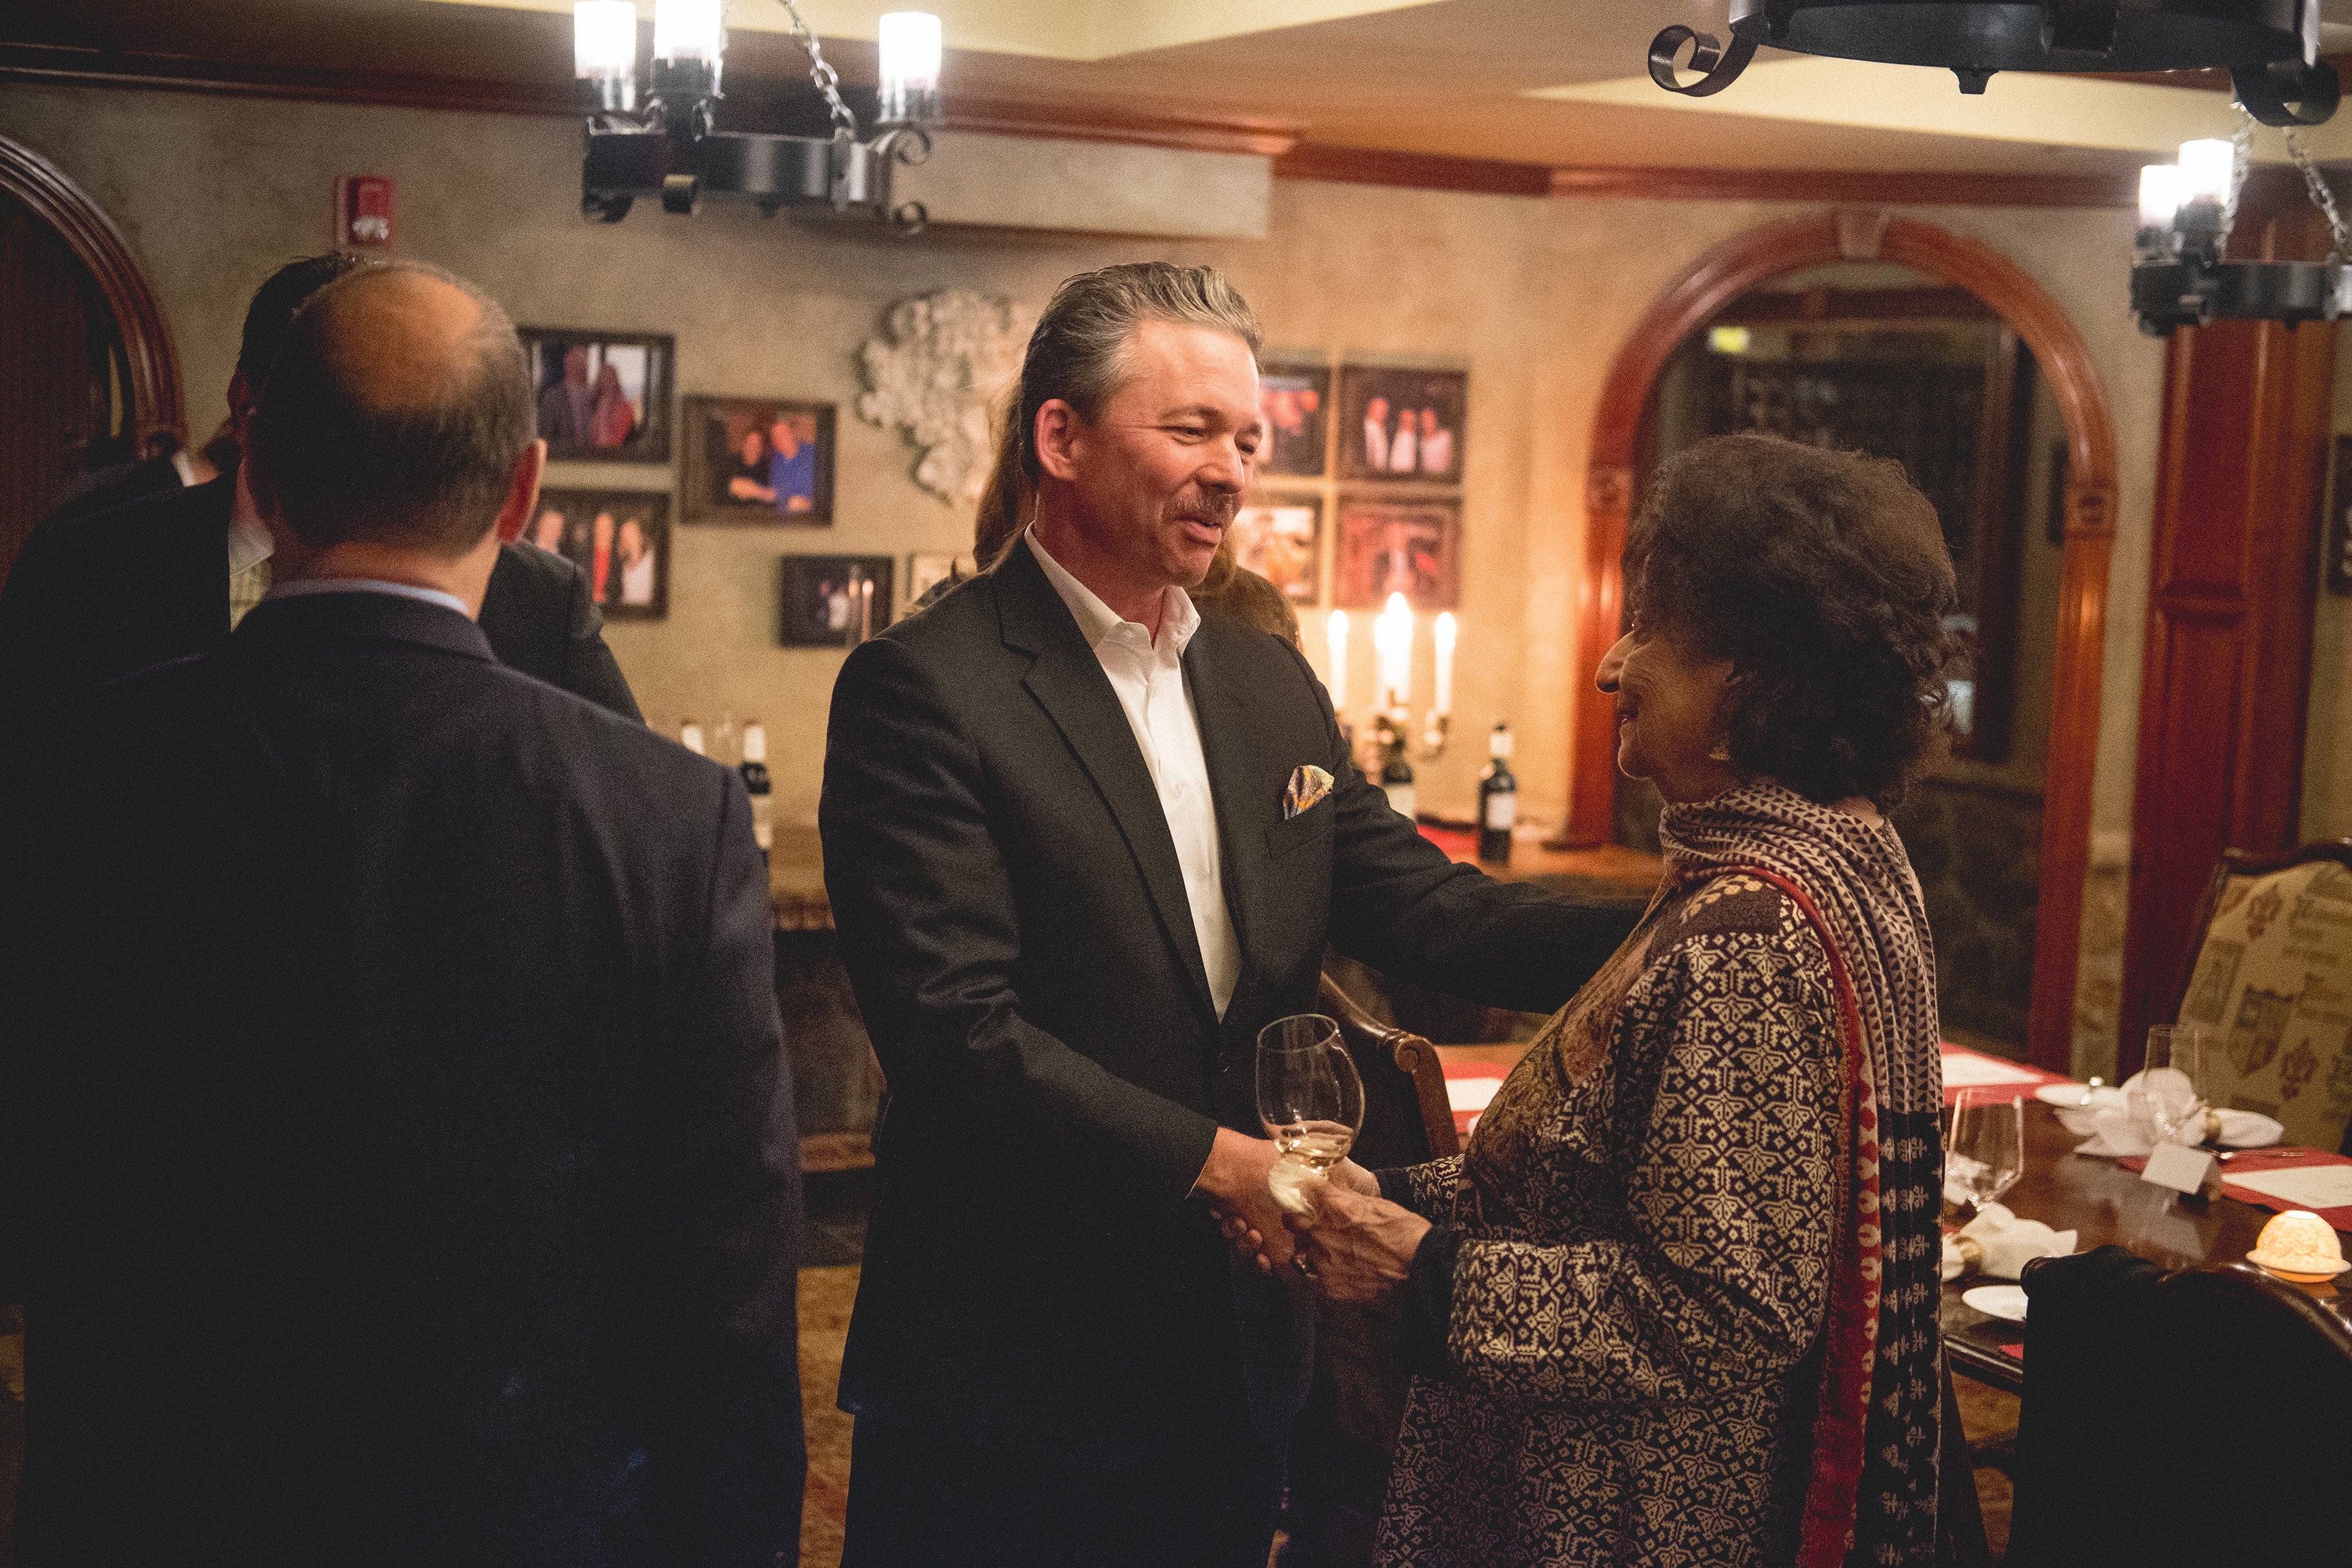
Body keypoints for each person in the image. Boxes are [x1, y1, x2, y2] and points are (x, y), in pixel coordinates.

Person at [819, 261, 1640, 1567]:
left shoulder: (1266, 686)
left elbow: (1438, 915)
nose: (1235, 470)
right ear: (1062, 438)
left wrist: (1705, 901)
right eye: (1193, 428)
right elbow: (953, 1033)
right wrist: (1224, 1162)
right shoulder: (927, 688)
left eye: (1250, 438)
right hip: (1008, 1352)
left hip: (1236, 1344)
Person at [0, 261, 805, 1566]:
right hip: (518, 1506)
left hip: (150, 1494)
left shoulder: (76, 772)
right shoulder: (671, 819)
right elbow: (727, 1270)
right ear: (524, 490)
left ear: (256, 467)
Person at [1276, 432, 1955, 1567]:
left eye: (1647, 630)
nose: (1608, 664)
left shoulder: (1749, 932)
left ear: (1744, 676)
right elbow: (1585, 1186)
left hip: (1622, 1516)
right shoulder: (1828, 858)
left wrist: (1412, 1263)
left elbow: (1722, 1308)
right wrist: (1383, 1195)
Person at [0, 254, 642, 724]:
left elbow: (617, 800)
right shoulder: (83, 570)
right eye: (334, 416)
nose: (368, 450)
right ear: (247, 410)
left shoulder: (540, 599)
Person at [536, 343, 594, 450]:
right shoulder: (553, 397)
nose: (582, 370)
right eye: (577, 365)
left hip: (591, 457)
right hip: (564, 458)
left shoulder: (592, 396)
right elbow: (544, 436)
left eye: (584, 365)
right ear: (567, 366)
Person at [767, 414, 817, 515]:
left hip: (811, 521)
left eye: (783, 434)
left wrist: (811, 504)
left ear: (793, 433)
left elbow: (836, 490)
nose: (779, 439)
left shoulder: (814, 453)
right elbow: (775, 493)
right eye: (775, 437)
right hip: (783, 522)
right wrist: (755, 490)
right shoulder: (777, 460)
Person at [589, 359, 637, 450]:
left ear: (616, 382)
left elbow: (616, 442)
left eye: (610, 379)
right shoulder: (593, 404)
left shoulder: (624, 408)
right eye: (603, 378)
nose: (606, 383)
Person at [726, 425, 772, 503]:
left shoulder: (766, 467)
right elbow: (723, 487)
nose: (753, 448)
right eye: (750, 444)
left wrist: (754, 491)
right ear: (744, 444)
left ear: (761, 448)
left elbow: (769, 497)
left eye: (757, 445)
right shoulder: (730, 462)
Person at [616, 515, 655, 606]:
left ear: (641, 537)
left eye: (631, 535)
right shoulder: (621, 567)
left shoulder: (652, 562)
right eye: (624, 536)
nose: (627, 540)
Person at [1417, 406, 1453, 477]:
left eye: (1430, 419)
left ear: (1435, 420)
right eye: (1424, 420)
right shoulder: (1420, 441)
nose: (1427, 423)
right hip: (1427, 479)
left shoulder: (1446, 436)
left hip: (1444, 478)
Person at [1387, 398, 1419, 473]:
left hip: (1411, 479)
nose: (1407, 423)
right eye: (1404, 420)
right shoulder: (1390, 436)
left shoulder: (1419, 441)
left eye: (1411, 421)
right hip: (1390, 477)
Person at [1362, 393, 1391, 472]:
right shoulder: (1366, 428)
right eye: (1379, 410)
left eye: (1384, 411)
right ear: (1371, 409)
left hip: (1381, 473)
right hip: (1369, 473)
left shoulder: (1383, 430)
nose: (1382, 413)